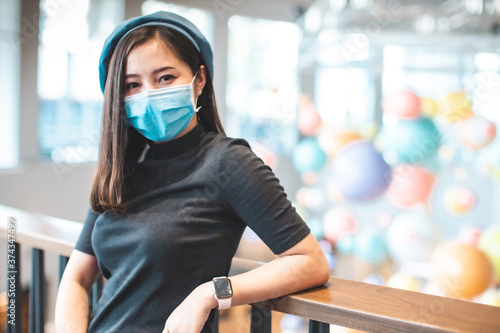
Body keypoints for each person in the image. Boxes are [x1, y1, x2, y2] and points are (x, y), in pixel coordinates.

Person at [55, 11, 330, 333]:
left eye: (165, 78)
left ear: (199, 79)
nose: (149, 94)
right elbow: (77, 276)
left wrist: (209, 294)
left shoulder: (228, 163)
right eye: (132, 84)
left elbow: (311, 261)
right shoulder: (120, 171)